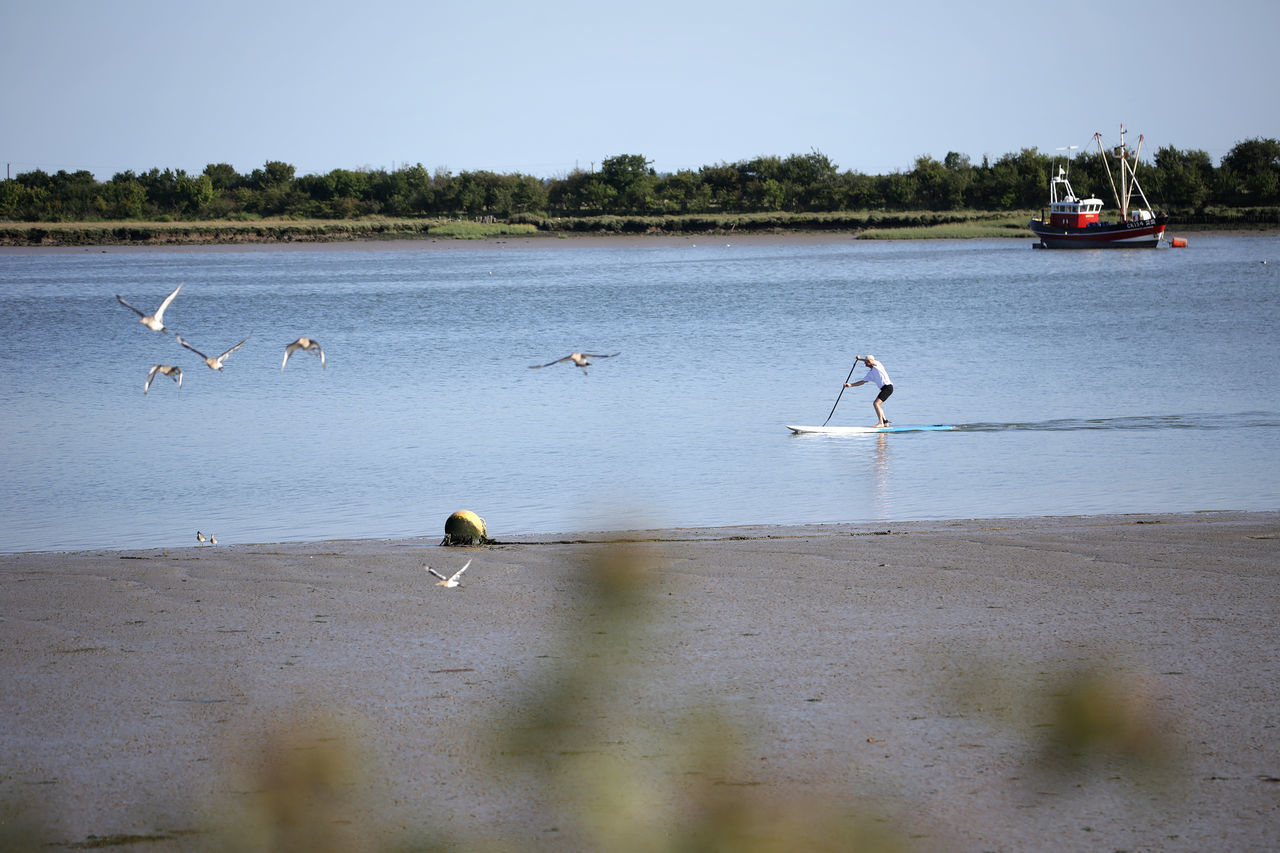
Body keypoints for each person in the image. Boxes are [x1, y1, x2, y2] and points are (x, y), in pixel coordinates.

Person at [844, 355, 893, 427]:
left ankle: (881, 423)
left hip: (888, 387)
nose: (865, 363)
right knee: (878, 405)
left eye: (866, 361)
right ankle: (885, 422)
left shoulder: (878, 365)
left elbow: (870, 361)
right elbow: (862, 382)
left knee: (876, 404)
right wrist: (851, 385)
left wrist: (859, 359)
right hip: (884, 389)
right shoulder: (870, 373)